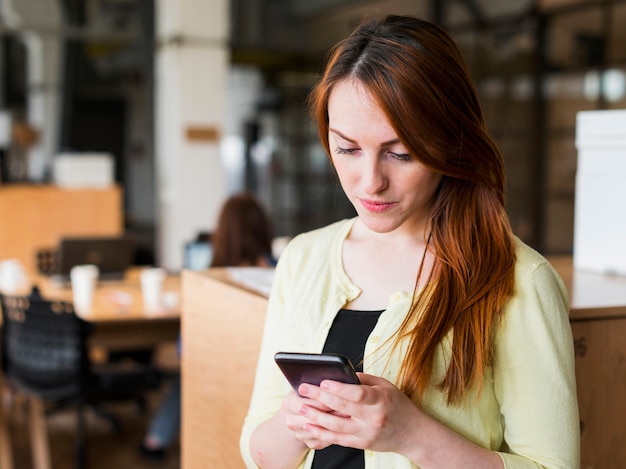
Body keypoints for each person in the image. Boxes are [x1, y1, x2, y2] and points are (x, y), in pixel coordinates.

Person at [240, 14, 579, 469]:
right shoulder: (303, 257)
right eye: (346, 148)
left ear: (451, 142)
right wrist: (294, 421)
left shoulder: (519, 280)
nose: (370, 182)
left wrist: (411, 433)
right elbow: (259, 452)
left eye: (401, 153)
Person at [140, 191, 275, 460]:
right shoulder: (281, 274)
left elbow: (183, 350)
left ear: (221, 232)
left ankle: (155, 440)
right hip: (263, 376)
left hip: (214, 372)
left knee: (185, 378)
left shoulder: (207, 282)